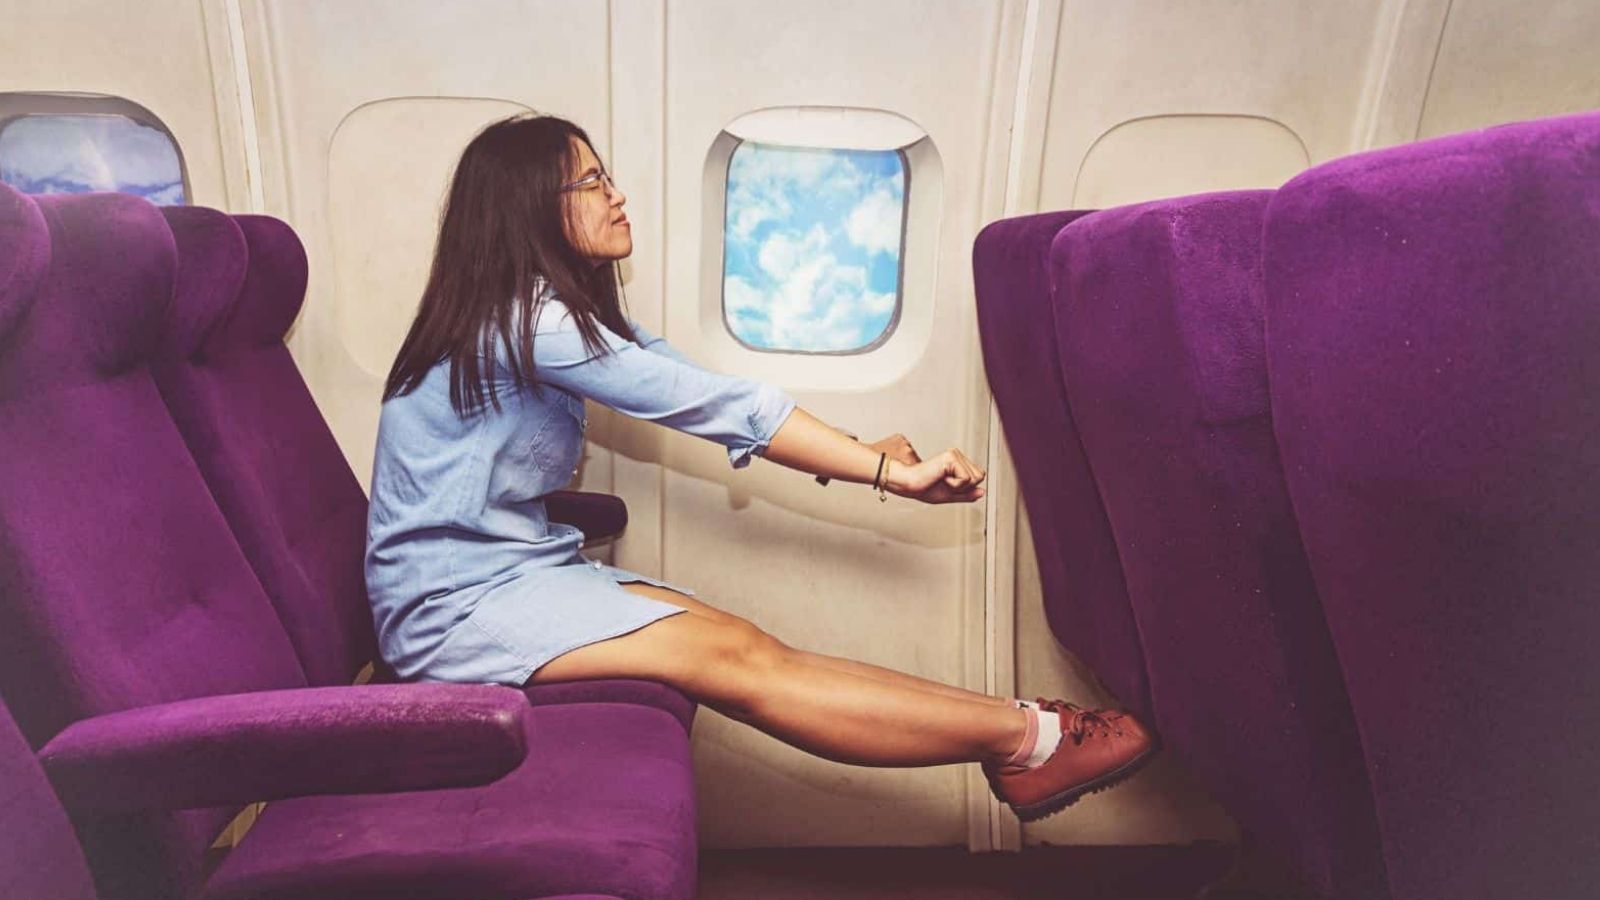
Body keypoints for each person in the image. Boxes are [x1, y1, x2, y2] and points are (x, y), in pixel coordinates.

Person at [366, 113, 1155, 822]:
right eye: (593, 181)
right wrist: (888, 478)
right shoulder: (528, 323)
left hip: (513, 570)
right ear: (531, 209)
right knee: (741, 663)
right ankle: (1033, 739)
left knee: (748, 642)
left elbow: (699, 385)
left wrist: (859, 452)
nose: (618, 195)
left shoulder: (559, 315)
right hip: (452, 608)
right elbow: (713, 407)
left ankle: (1025, 735)